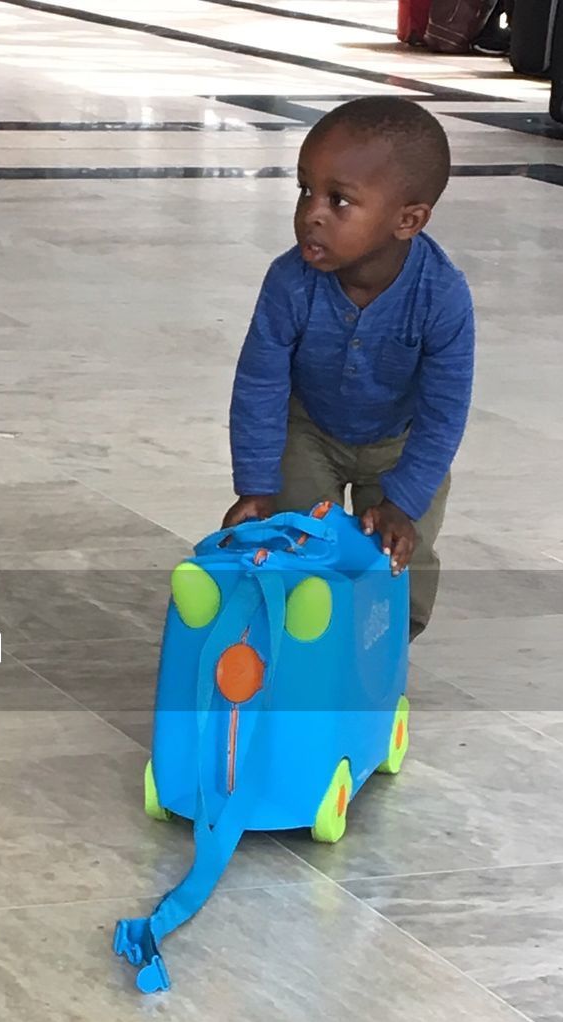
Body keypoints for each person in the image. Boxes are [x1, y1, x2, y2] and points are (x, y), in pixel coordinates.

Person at [223, 97, 474, 640]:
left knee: (399, 552)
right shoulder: (288, 282)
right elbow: (260, 384)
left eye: (339, 201)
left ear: (408, 220)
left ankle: (381, 649)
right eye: (305, 189)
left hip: (400, 444)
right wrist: (257, 485)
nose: (312, 211)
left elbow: (444, 412)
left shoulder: (442, 295)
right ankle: (300, 641)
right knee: (295, 539)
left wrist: (402, 501)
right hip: (311, 429)